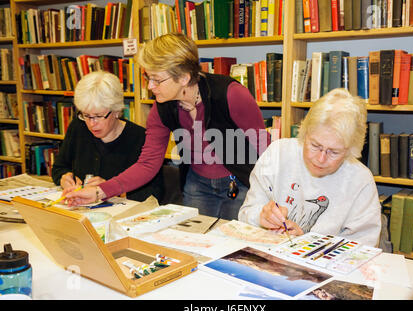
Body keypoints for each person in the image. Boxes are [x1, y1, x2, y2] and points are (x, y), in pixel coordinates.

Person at [65, 33, 270, 220]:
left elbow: (265, 151)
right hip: (197, 184)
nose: (149, 86)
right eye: (148, 78)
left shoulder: (231, 95)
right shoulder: (161, 108)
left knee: (234, 248)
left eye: (156, 79)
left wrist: (272, 199)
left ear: (183, 78)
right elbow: (147, 164)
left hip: (241, 183)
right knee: (195, 245)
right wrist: (100, 191)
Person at [238, 88, 381, 246]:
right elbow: (245, 213)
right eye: (315, 145)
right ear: (304, 133)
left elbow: (363, 248)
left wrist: (306, 241)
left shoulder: (360, 180)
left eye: (333, 152)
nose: (320, 159)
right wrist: (261, 216)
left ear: (350, 151)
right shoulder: (277, 154)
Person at [52, 70, 165, 203]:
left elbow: (154, 193)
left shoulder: (140, 138)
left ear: (116, 111)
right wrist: (64, 178)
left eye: (99, 116)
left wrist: (111, 190)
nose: (92, 124)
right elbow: (59, 167)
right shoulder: (78, 127)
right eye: (86, 116)